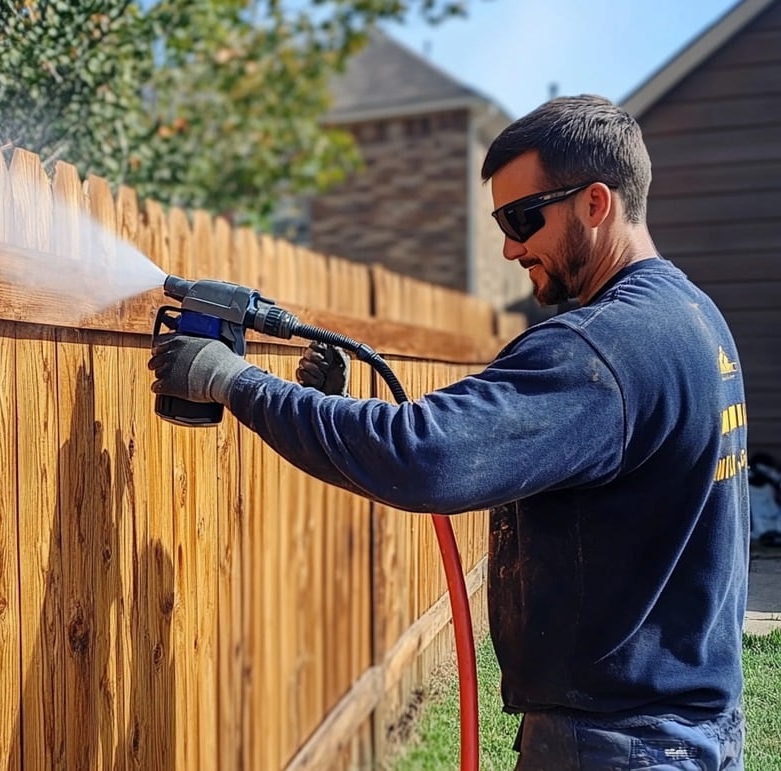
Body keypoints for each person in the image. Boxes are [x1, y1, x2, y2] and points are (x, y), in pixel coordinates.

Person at [149, 95, 748, 769]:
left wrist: (233, 380)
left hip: (622, 742)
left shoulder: (601, 351)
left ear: (597, 203)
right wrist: (334, 412)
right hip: (689, 726)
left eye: (524, 217)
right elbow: (470, 446)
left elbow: (421, 455)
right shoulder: (692, 316)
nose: (510, 245)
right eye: (501, 221)